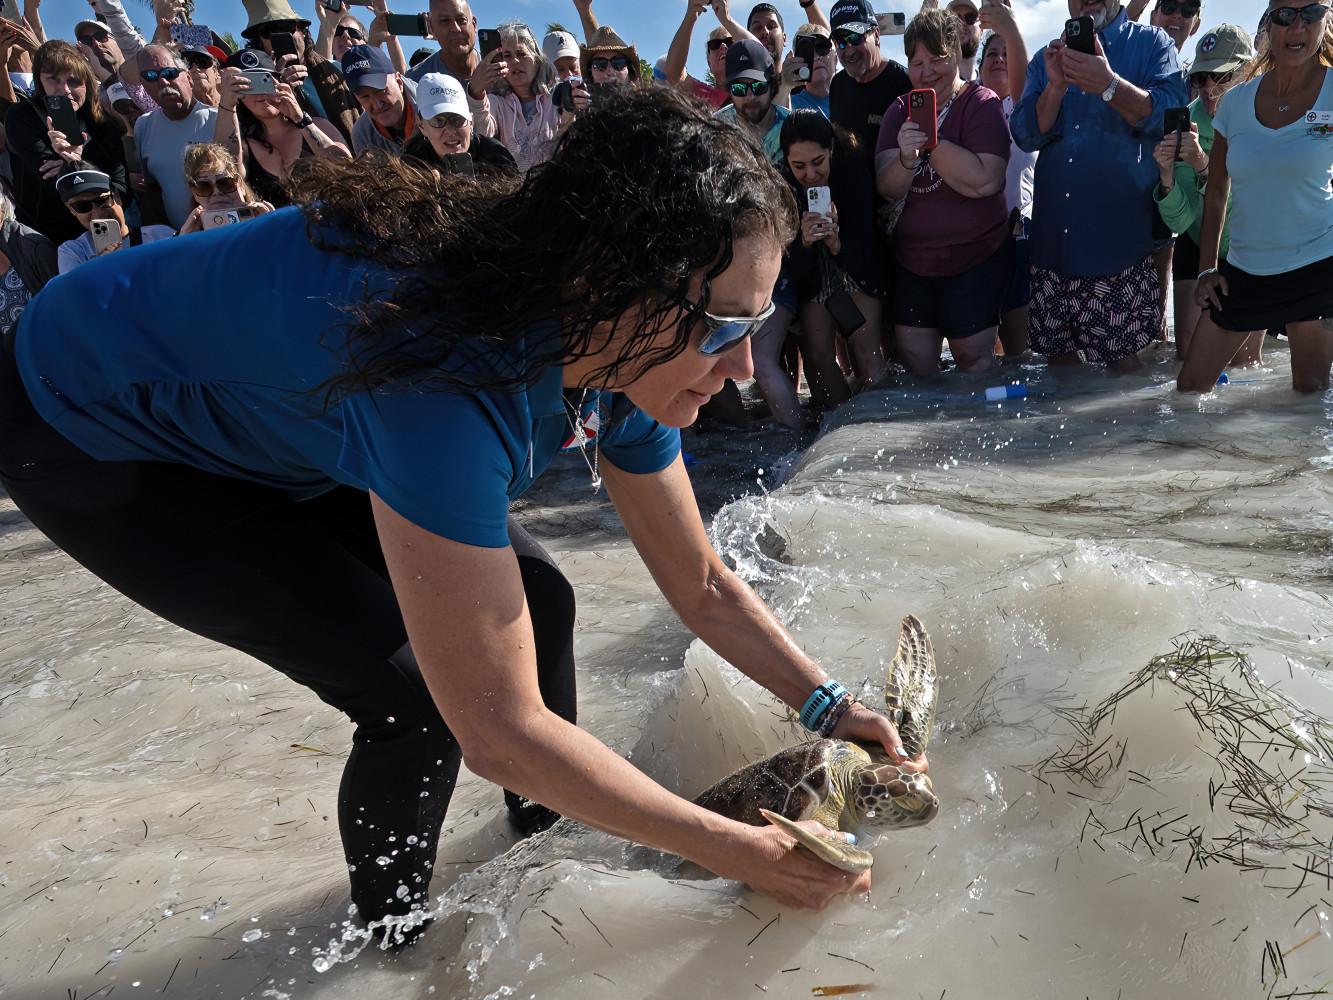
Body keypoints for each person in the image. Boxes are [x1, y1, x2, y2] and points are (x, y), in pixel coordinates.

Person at [0, 87, 926, 938]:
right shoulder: (436, 369)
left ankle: (545, 858)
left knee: (544, 600)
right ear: (611, 279)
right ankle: (391, 949)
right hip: (88, 427)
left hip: (282, 413)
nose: (741, 368)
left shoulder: (619, 347)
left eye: (756, 328)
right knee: (412, 702)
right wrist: (733, 851)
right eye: (723, 328)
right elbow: (498, 732)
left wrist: (828, 706)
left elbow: (702, 580)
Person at [1010, 0, 1186, 369]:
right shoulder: (1048, 57)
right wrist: (1054, 89)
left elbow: (1171, 113)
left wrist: (1109, 85)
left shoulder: (1154, 44)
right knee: (1059, 379)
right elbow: (1025, 134)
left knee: (1127, 381)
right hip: (1052, 251)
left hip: (1121, 252)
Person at [1177, 0, 1333, 394]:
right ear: (1268, 25)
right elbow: (1216, 189)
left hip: (1319, 269)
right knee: (1189, 390)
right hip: (1244, 273)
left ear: (1324, 19)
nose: (1297, 26)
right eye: (1284, 15)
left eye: (1309, 13)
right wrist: (1208, 268)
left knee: (1307, 398)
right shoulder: (1235, 102)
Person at [876, 7, 1010, 375]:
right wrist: (905, 158)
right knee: (917, 366)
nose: (927, 71)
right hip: (913, 263)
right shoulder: (897, 111)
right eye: (916, 63)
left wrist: (930, 142)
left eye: (937, 59)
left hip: (975, 258)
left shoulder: (982, 103)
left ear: (955, 54)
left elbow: (986, 181)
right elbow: (886, 189)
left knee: (974, 360)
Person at [1152, 23, 1260, 361]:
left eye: (1220, 76)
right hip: (1198, 241)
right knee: (1188, 353)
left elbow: (1252, 200)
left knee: (1246, 363)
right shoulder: (1189, 123)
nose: (1209, 88)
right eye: (1200, 78)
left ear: (1248, 71)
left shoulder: (1267, 116)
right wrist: (1166, 177)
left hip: (1252, 246)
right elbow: (1182, 219)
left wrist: (1202, 163)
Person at [780, 110, 886, 415]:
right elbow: (791, 268)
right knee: (817, 356)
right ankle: (842, 427)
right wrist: (803, 242)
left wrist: (838, 242)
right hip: (814, 275)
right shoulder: (784, 184)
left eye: (817, 163)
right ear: (787, 162)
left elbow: (868, 248)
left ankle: (882, 423)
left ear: (831, 151)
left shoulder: (852, 173)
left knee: (867, 349)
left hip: (856, 269)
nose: (810, 175)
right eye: (798, 166)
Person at [5, 39, 128, 243]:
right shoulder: (21, 117)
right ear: (39, 81)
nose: (65, 90)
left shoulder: (103, 126)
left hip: (107, 236)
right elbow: (48, 180)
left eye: (74, 81)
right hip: (46, 239)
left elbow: (123, 190)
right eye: (54, 79)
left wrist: (73, 164)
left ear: (87, 83)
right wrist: (90, 176)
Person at [214, 50, 351, 208]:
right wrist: (226, 104)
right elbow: (223, 174)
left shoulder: (318, 125)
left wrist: (300, 119)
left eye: (265, 81)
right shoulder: (243, 146)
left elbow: (346, 167)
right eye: (250, 85)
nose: (261, 93)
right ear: (240, 95)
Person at [977, 0, 1034, 355]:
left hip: (1021, 234)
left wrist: (1009, 26)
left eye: (1005, 53)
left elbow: (1024, 71)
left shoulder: (1026, 103)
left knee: (1020, 350)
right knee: (981, 352)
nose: (998, 58)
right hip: (976, 239)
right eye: (991, 54)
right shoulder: (968, 105)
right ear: (978, 68)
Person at [241, 0, 360, 145]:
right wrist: (279, 93)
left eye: (287, 26)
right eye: (268, 31)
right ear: (260, 43)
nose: (281, 35)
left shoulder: (337, 71)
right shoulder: (260, 94)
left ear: (303, 31)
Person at [133, 45, 218, 229]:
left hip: (225, 230)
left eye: (170, 72)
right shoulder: (143, 126)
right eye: (151, 76)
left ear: (188, 76)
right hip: (179, 238)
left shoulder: (217, 119)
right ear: (143, 85)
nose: (163, 82)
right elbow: (151, 189)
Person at [467, 21, 568, 173]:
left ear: (537, 60)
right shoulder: (496, 102)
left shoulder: (556, 97)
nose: (514, 61)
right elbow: (483, 133)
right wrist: (476, 91)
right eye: (507, 55)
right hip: (512, 192)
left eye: (521, 54)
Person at [828, 0, 912, 173]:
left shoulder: (905, 82)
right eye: (840, 42)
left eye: (855, 37)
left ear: (877, 35)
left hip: (896, 195)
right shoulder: (837, 85)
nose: (849, 50)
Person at [54, 166, 173, 273]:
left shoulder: (160, 236)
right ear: (71, 210)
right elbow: (77, 295)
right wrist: (100, 266)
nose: (98, 212)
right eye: (82, 206)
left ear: (117, 196)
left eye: (103, 200)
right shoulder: (73, 252)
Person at [401, 71, 517, 176]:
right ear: (421, 126)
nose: (451, 130)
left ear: (471, 122)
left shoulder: (497, 157)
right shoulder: (410, 166)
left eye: (457, 119)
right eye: (439, 121)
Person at [662, 0, 757, 111]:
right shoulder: (701, 94)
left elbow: (760, 56)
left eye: (729, 42)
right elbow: (673, 75)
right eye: (715, 44)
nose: (723, 46)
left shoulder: (758, 89)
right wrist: (691, 15)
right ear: (709, 62)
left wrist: (726, 19)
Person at [177, 142, 275, 234]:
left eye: (225, 183)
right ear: (195, 194)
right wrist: (185, 243)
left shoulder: (266, 220)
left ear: (240, 184)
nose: (217, 192)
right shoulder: (185, 237)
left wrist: (275, 226)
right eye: (204, 187)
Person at [716, 38, 788, 162]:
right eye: (739, 88)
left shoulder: (793, 127)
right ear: (730, 91)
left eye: (759, 86)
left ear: (772, 86)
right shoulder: (715, 130)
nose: (750, 96)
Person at [0, 186, 56, 344]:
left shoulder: (34, 246)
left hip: (49, 347)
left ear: (3, 210)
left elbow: (61, 304)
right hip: (12, 359)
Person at [342, 44, 417, 155]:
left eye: (380, 91)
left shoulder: (434, 105)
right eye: (364, 97)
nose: (377, 104)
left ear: (399, 82)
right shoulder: (363, 133)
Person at [403, 0, 478, 85]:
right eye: (445, 21)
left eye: (461, 20)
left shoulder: (494, 65)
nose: (456, 29)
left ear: (474, 24)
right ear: (432, 28)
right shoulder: (415, 81)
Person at [790, 23, 837, 116]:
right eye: (807, 52)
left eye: (822, 48)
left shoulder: (855, 96)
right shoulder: (791, 105)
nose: (816, 57)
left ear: (836, 58)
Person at [947, 0, 983, 80]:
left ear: (982, 29)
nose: (962, 24)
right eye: (955, 19)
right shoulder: (932, 80)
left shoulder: (990, 84)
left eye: (970, 17)